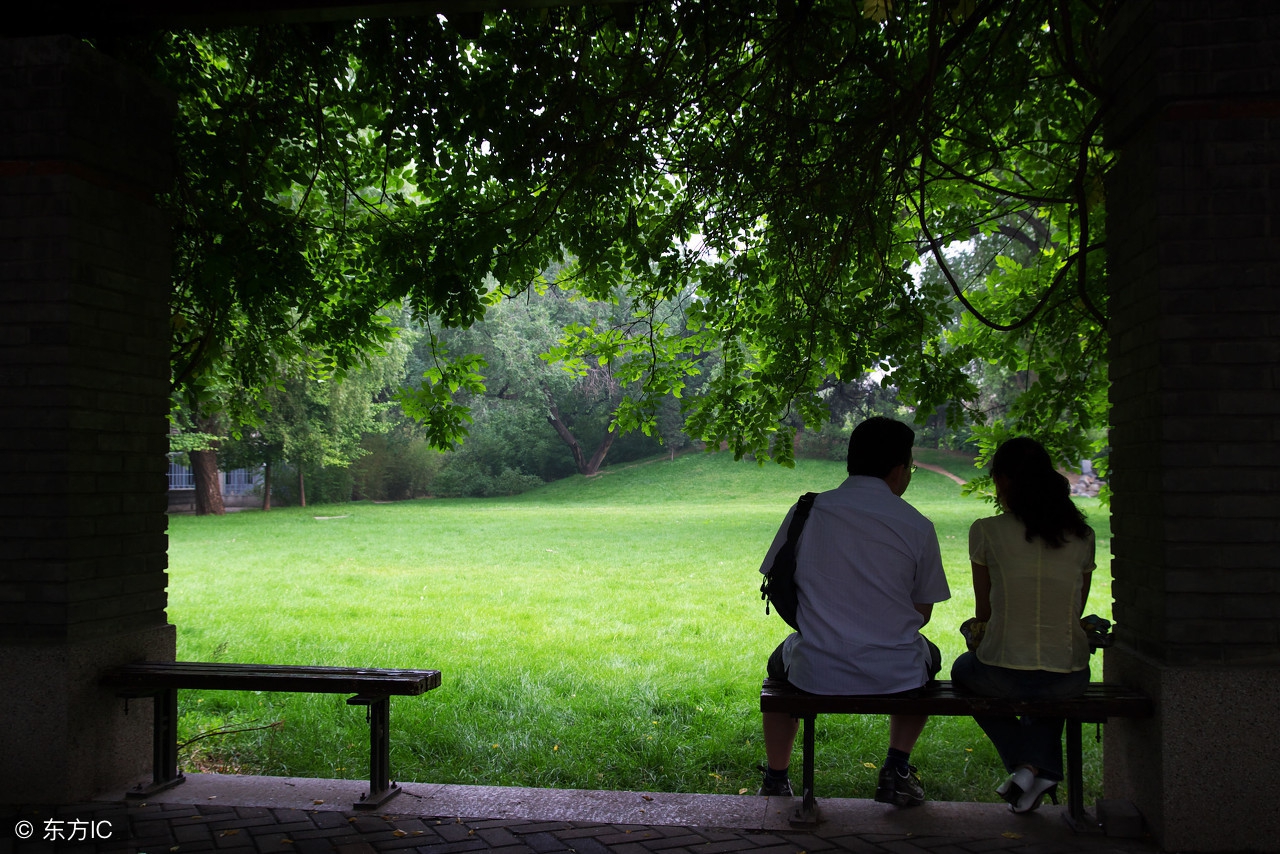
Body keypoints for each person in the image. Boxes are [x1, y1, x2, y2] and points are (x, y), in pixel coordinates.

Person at [757, 417, 951, 807]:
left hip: (814, 667)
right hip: (896, 670)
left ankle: (777, 778)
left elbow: (775, 577)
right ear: (898, 470)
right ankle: (896, 768)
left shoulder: (806, 510)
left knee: (777, 669)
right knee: (931, 657)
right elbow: (922, 612)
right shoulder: (918, 525)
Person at [950, 437, 1095, 814]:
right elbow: (1075, 609)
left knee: (963, 672)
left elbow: (984, 614)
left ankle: (1025, 764)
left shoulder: (986, 530)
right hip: (1071, 675)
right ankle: (1035, 769)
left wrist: (977, 632)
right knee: (1049, 686)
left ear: (1004, 480)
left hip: (1002, 671)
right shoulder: (1083, 536)